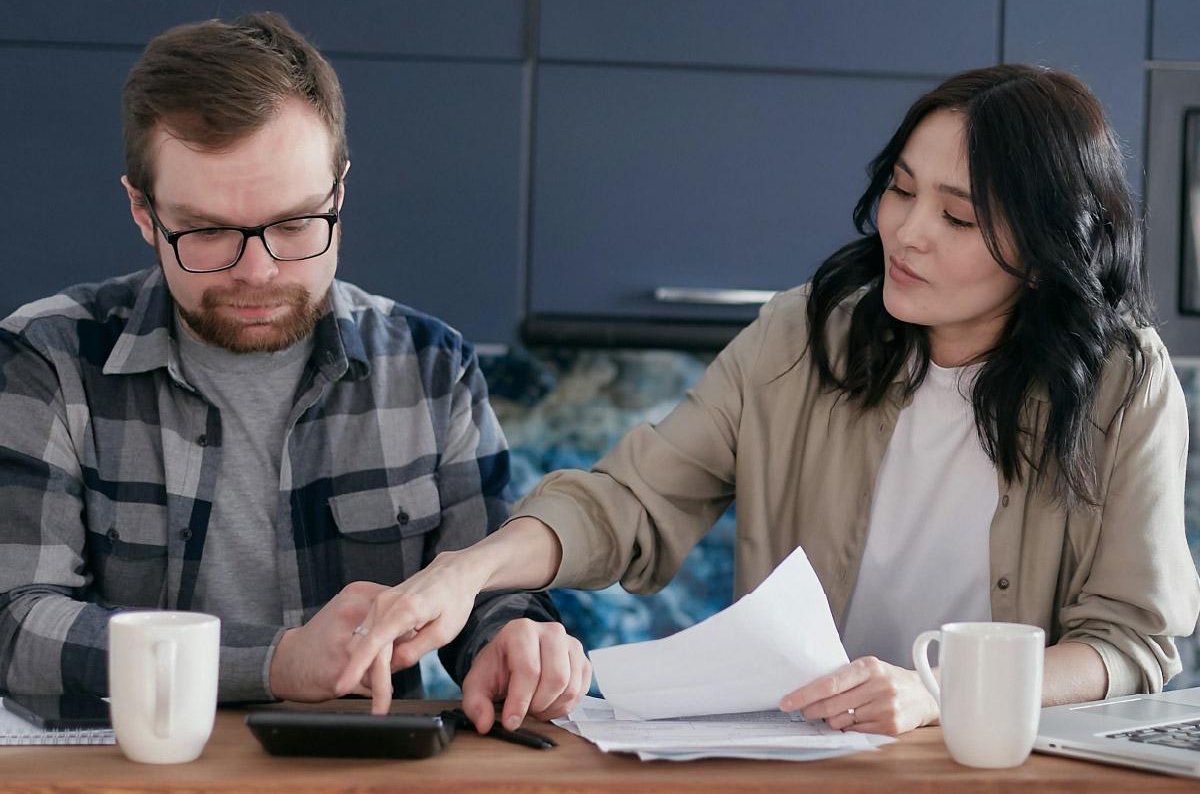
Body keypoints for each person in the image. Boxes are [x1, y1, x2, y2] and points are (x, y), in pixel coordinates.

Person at [336, 64, 1200, 734]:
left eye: (960, 217)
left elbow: (1131, 642)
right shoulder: (802, 335)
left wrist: (940, 692)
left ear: (1046, 250)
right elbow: (631, 501)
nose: (907, 231)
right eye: (901, 189)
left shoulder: (1126, 386)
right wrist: (467, 571)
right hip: (809, 763)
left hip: (1001, 769)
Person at [0, 12, 588, 733]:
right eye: (208, 231)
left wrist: (513, 642)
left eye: (293, 224)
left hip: (363, 777)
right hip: (125, 774)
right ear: (144, 212)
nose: (259, 270)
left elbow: (485, 585)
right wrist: (275, 661)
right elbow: (14, 624)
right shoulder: (45, 360)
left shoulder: (431, 368)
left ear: (338, 196)